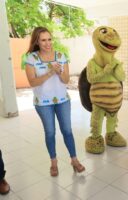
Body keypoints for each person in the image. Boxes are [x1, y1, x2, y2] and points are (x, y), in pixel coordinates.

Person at [25, 27, 85, 177]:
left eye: (49, 39)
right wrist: (50, 72)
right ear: (37, 42)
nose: (47, 43)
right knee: (50, 133)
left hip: (63, 100)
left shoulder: (61, 56)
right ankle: (54, 162)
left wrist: (59, 72)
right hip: (43, 103)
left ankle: (74, 160)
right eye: (43, 40)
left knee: (67, 131)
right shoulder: (31, 58)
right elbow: (32, 82)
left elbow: (66, 80)